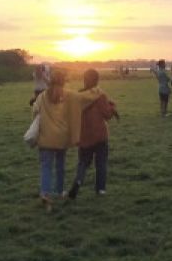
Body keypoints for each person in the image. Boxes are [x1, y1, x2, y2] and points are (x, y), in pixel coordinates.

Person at [33, 69, 102, 209]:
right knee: (60, 166)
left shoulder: (42, 96)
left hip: (45, 137)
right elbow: (85, 97)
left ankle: (45, 193)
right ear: (64, 82)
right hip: (61, 138)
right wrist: (98, 90)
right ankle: (59, 191)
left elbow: (34, 111)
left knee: (46, 167)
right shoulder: (69, 95)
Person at [67, 69, 119, 200]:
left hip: (84, 135)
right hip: (100, 135)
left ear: (84, 79)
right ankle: (100, 189)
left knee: (83, 162)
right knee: (101, 163)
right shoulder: (100, 95)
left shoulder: (78, 96)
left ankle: (78, 181)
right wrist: (112, 106)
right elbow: (107, 115)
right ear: (97, 80)